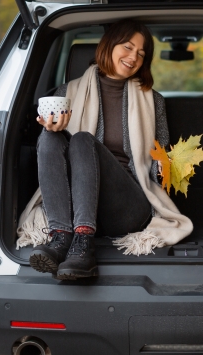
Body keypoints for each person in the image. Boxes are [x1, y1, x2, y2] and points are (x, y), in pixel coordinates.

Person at [16, 19, 193, 280]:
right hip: (76, 203)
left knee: (83, 140)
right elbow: (58, 152)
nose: (133, 57)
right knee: (52, 138)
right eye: (128, 47)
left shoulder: (152, 101)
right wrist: (52, 129)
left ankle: (84, 243)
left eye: (141, 54)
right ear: (108, 46)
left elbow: (160, 155)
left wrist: (167, 164)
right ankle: (62, 236)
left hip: (128, 204)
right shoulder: (67, 93)